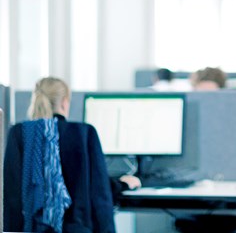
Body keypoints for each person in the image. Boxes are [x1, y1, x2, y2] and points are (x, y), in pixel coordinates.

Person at [3, 77, 139, 232]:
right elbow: (99, 193)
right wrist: (122, 184)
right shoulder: (84, 133)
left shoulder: (19, 134)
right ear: (64, 102)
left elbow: (11, 196)